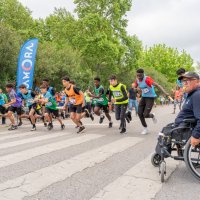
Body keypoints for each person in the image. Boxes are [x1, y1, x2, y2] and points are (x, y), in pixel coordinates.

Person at [133, 68, 169, 135]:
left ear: (143, 74)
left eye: (140, 76)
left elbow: (157, 85)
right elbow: (135, 89)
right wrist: (136, 89)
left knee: (145, 115)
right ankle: (145, 128)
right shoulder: (137, 80)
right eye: (137, 76)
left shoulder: (147, 79)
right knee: (139, 113)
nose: (139, 78)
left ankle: (152, 115)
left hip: (150, 98)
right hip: (143, 97)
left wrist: (165, 92)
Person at [174, 72, 200, 147]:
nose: (185, 84)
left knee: (166, 132)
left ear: (198, 81)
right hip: (182, 126)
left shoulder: (197, 95)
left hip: (187, 127)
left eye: (187, 81)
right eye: (183, 81)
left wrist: (196, 135)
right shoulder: (192, 94)